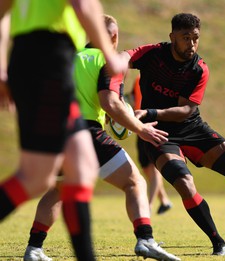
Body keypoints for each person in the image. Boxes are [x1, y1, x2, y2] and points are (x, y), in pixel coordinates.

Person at [122, 13, 225, 256]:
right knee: (185, 184)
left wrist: (149, 110)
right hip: (158, 133)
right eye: (185, 37)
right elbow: (120, 60)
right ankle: (217, 241)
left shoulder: (199, 68)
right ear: (172, 37)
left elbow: (185, 110)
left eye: (195, 38)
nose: (191, 43)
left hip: (192, 127)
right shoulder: (152, 54)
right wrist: (115, 90)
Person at [22, 15, 180, 261]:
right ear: (114, 38)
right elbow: (111, 102)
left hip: (54, 132)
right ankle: (145, 239)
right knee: (134, 182)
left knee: (58, 190)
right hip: (85, 132)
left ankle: (34, 249)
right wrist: (140, 128)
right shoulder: (110, 61)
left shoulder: (69, 57)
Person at [0, 1, 128, 260]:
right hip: (49, 60)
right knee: (35, 177)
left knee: (82, 168)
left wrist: (2, 64)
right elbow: (84, 4)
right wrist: (109, 52)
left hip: (38, 59)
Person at [130, 75, 173, 215]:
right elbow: (131, 98)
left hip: (155, 126)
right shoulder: (138, 79)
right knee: (146, 167)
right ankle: (164, 200)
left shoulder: (161, 80)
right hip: (140, 126)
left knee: (154, 168)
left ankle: (148, 206)